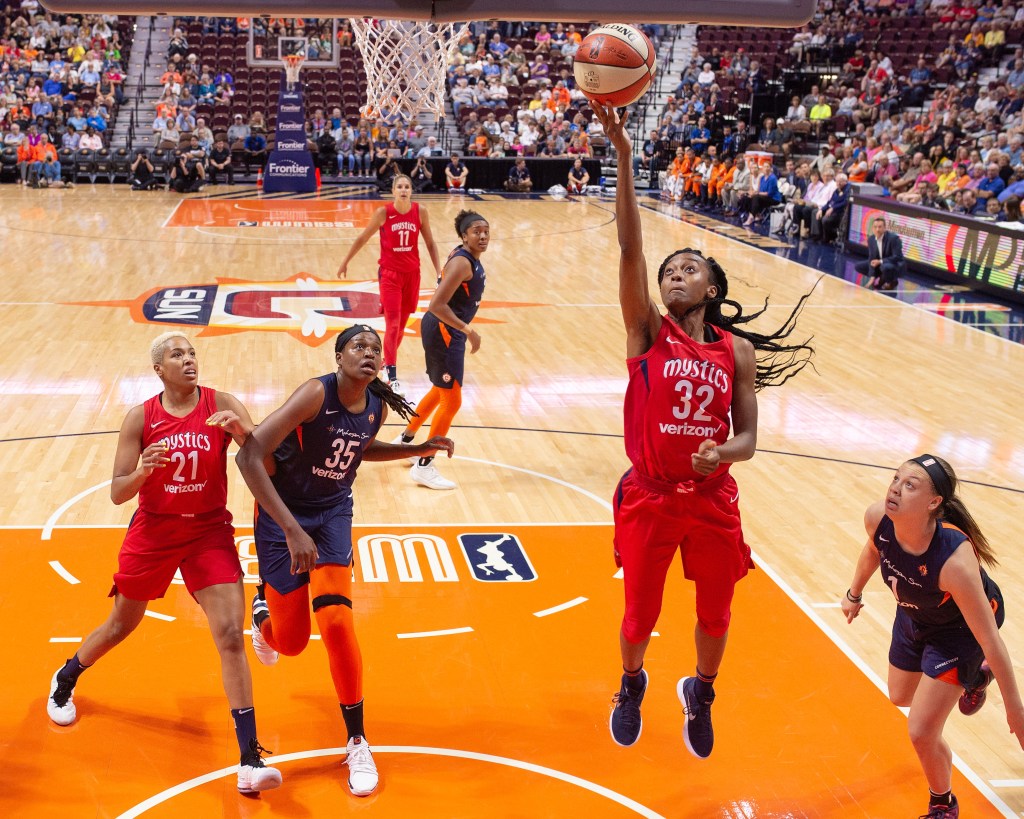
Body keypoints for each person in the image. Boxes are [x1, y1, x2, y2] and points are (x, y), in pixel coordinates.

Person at [593, 102, 816, 759]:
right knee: (639, 617)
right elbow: (631, 244)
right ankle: (631, 683)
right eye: (668, 272)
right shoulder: (645, 333)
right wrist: (626, 156)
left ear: (713, 286)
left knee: (716, 616)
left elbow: (749, 437)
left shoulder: (735, 353)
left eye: (688, 268)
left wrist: (724, 451)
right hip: (651, 496)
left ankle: (703, 690)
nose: (673, 276)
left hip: (714, 499)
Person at [46, 332, 282, 795]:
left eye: (192, 353)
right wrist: (143, 472)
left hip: (208, 531)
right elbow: (118, 492)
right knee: (120, 625)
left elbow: (268, 467)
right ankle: (67, 676)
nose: (189, 360)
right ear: (159, 369)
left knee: (230, 636)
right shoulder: (141, 417)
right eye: (177, 355)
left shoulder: (222, 402)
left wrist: (243, 437)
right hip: (154, 531)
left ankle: (250, 758)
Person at [234, 325, 454, 798]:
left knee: (336, 622)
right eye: (359, 345)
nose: (369, 353)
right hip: (282, 516)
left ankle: (357, 740)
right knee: (290, 644)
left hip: (333, 511)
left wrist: (417, 448)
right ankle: (263, 614)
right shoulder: (315, 394)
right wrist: (291, 530)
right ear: (337, 356)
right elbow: (250, 454)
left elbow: (358, 449)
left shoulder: (375, 403)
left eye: (376, 348)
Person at [841, 455, 1024, 819]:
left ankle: (943, 803)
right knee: (900, 696)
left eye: (910, 485)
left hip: (961, 632)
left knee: (922, 730)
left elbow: (990, 640)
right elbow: (873, 551)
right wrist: (854, 592)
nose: (895, 487)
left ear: (933, 502)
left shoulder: (954, 561)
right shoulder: (878, 517)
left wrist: (1016, 712)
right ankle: (976, 677)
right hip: (913, 616)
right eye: (896, 478)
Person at [391, 210, 489, 491]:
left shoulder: (465, 257)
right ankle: (425, 465)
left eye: (486, 231)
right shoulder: (462, 263)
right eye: (475, 231)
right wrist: (470, 331)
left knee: (440, 390)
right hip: (445, 331)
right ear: (464, 236)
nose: (482, 236)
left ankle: (407, 441)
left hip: (445, 330)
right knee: (452, 400)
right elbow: (436, 304)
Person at [336, 174, 441, 395]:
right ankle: (392, 376)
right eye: (399, 186)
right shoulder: (384, 213)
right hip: (390, 275)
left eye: (407, 186)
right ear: (393, 191)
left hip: (412, 274)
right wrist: (345, 261)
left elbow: (430, 243)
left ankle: (383, 364)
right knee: (392, 325)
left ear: (411, 190)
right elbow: (362, 237)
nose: (403, 190)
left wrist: (439, 270)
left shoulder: (420, 212)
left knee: (401, 327)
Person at [855, 216, 906, 290]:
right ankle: (881, 276)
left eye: (880, 227)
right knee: (858, 266)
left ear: (885, 228)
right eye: (875, 227)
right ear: (872, 229)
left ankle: (892, 280)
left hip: (895, 264)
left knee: (885, 267)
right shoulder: (871, 240)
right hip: (880, 264)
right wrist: (872, 278)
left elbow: (897, 257)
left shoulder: (894, 239)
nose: (877, 229)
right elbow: (871, 259)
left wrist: (880, 261)